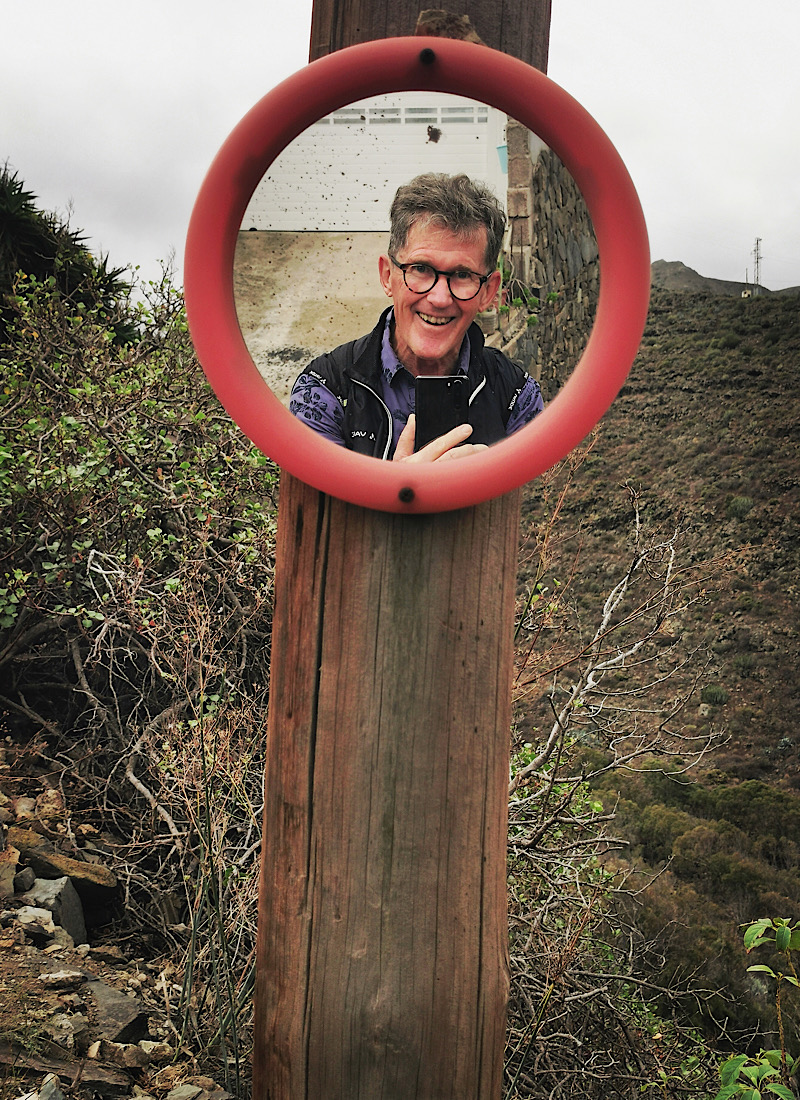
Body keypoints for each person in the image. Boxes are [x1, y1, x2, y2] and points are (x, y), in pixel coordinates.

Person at [289, 173, 543, 463]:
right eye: (421, 269)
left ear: (488, 292)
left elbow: (537, 491)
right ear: (387, 276)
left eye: (462, 274)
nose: (439, 298)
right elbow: (312, 493)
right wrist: (402, 486)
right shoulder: (325, 390)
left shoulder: (516, 396)